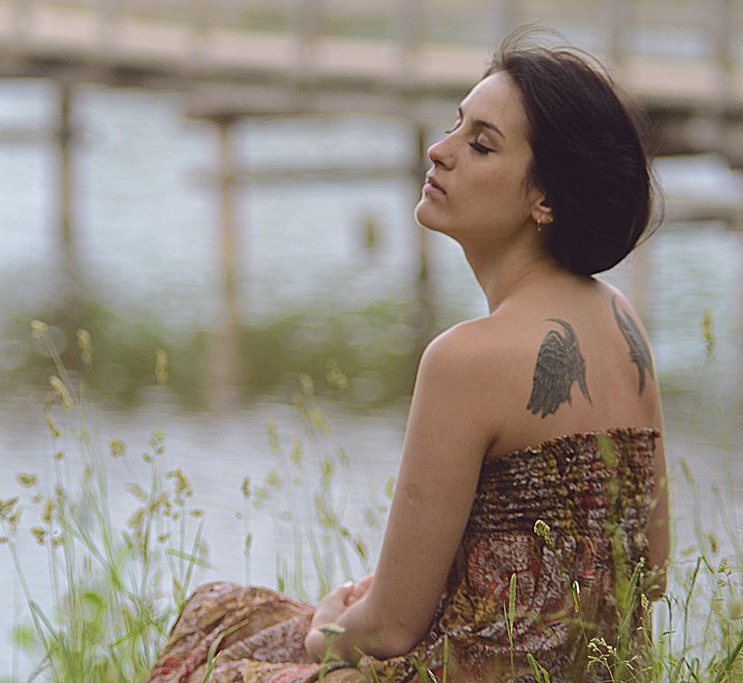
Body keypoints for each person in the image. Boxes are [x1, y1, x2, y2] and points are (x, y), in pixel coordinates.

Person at [148, 29, 669, 682]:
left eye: (480, 145)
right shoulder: (623, 323)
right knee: (233, 614)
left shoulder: (465, 359)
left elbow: (391, 627)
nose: (439, 150)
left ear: (545, 199)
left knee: (214, 639)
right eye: (456, 125)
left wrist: (321, 632)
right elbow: (652, 571)